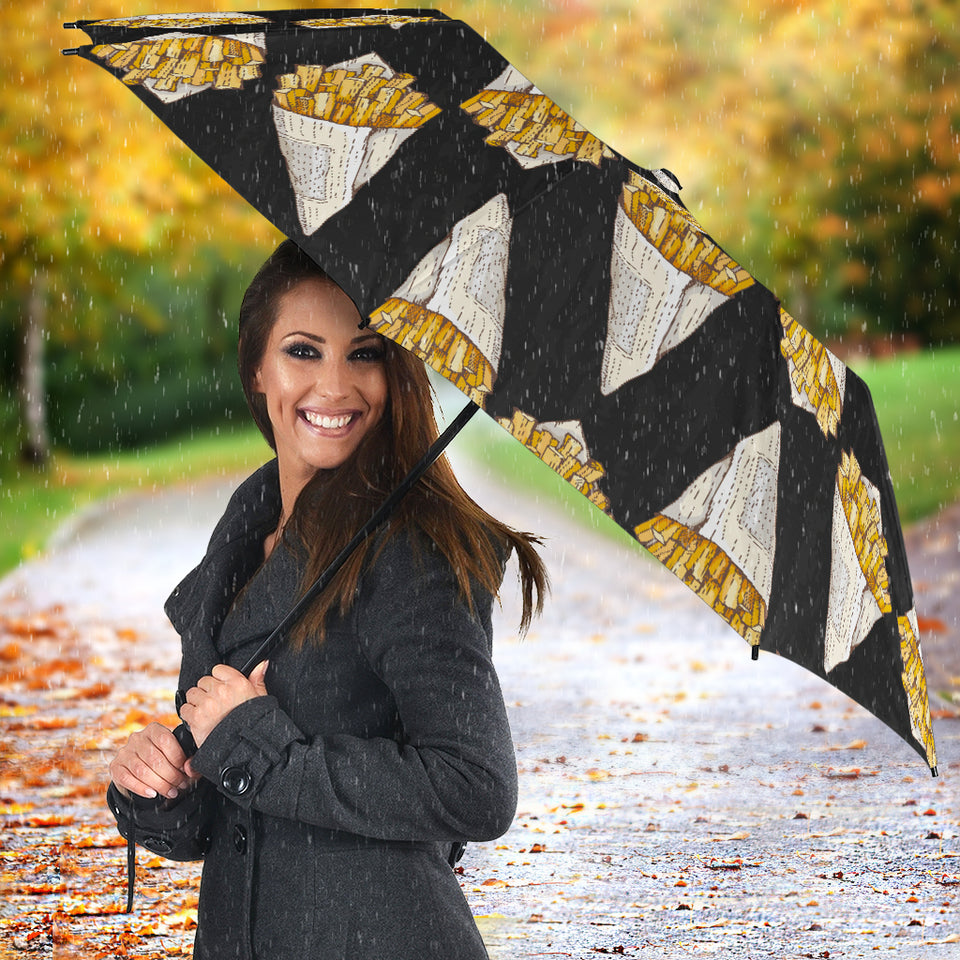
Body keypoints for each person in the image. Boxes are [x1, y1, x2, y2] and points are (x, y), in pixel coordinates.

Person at [107, 240, 547, 959]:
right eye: (304, 352)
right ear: (257, 369)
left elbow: (477, 788)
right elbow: (235, 811)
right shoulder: (242, 545)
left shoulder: (411, 553)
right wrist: (167, 784)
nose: (336, 386)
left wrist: (259, 747)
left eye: (365, 353)